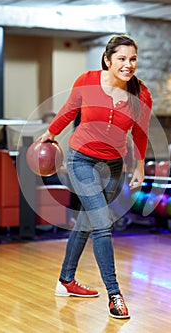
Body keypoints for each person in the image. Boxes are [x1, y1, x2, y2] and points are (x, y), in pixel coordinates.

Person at [39, 35, 152, 319]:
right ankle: (115, 295)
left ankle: (66, 281)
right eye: (122, 59)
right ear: (108, 60)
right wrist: (51, 133)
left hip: (113, 166)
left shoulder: (142, 94)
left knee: (88, 223)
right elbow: (69, 111)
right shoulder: (87, 80)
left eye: (133, 59)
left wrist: (140, 166)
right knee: (102, 225)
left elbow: (139, 133)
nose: (128, 65)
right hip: (82, 160)